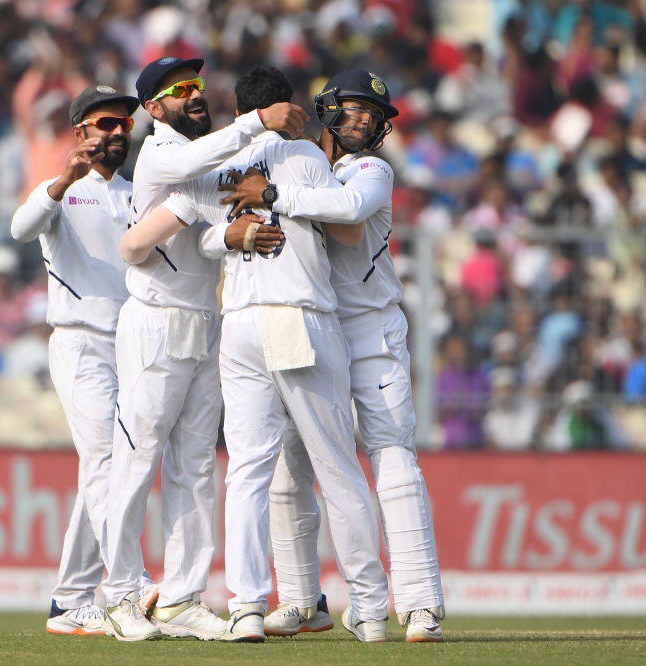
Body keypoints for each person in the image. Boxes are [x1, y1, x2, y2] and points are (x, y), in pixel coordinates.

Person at [135, 66, 390, 643]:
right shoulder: (306, 154)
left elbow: (197, 233)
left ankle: (247, 606)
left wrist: (232, 232)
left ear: (239, 110)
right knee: (337, 468)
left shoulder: (218, 163)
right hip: (300, 313)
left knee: (247, 471)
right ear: (291, 107)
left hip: (240, 323)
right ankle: (371, 609)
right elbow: (346, 225)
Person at [219, 69, 446, 643]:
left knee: (392, 459)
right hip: (308, 329)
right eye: (352, 107)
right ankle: (301, 599)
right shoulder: (300, 162)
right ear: (323, 110)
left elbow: (346, 212)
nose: (364, 119)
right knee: (286, 469)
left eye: (374, 113)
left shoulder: (371, 170)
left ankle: (419, 604)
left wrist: (269, 195)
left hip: (368, 331)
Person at [101, 56, 307, 642]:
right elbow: (184, 186)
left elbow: (212, 229)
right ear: (153, 107)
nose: (193, 95)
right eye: (178, 89)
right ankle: (119, 594)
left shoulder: (213, 156)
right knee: (137, 461)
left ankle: (182, 597)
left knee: (195, 469)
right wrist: (256, 122)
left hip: (206, 323)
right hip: (154, 323)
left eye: (196, 85)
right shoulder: (161, 151)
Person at [11, 84, 144, 636]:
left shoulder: (141, 192)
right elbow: (19, 228)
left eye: (123, 125)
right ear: (80, 132)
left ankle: (70, 600)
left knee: (107, 469)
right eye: (105, 124)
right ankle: (126, 589)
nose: (116, 133)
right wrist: (62, 180)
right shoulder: (59, 189)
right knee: (108, 464)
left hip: (134, 345)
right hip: (80, 340)